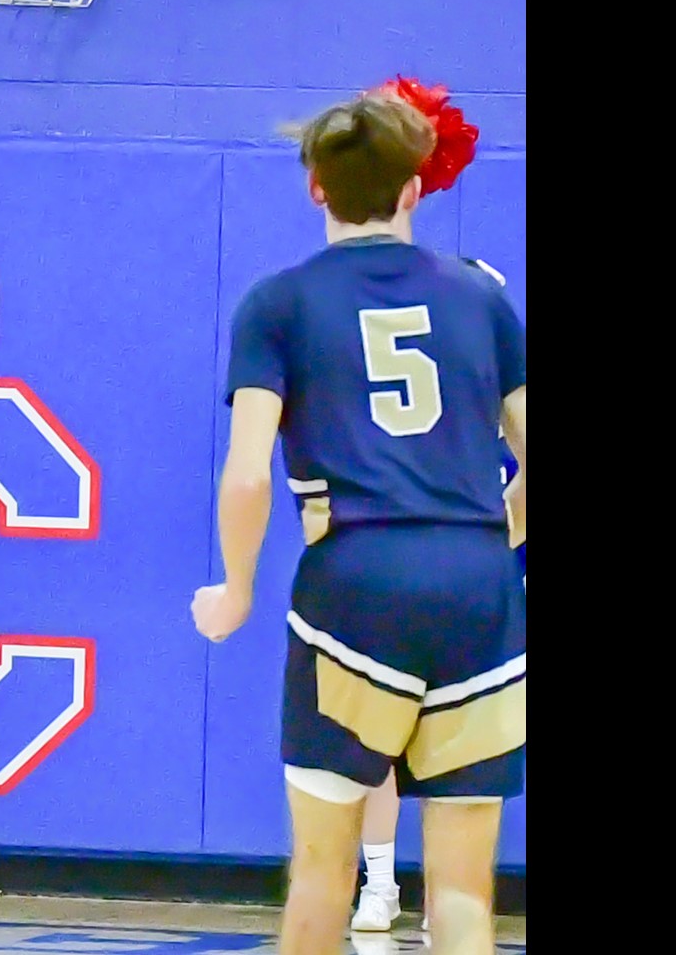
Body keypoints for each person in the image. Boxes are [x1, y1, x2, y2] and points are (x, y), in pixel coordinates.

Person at [193, 87, 523, 954]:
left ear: (315, 190)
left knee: (323, 877)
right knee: (460, 894)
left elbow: (247, 473)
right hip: (479, 580)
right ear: (416, 188)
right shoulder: (482, 299)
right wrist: (495, 538)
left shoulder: (279, 302)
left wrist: (235, 587)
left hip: (357, 580)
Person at [349, 256, 524, 939]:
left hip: (485, 600)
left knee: (464, 759)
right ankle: (382, 882)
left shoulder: (507, 426)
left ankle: (448, 898)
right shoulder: (396, 425)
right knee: (381, 748)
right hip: (398, 592)